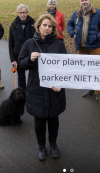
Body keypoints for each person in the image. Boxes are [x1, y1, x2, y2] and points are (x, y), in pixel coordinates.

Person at [17, 14, 67, 161]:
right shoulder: (29, 43)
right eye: (44, 25)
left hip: (54, 89)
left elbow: (66, 67)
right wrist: (30, 59)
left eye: (50, 26)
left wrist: (60, 84)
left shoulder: (59, 44)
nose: (47, 28)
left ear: (53, 29)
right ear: (38, 26)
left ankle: (53, 145)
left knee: (53, 119)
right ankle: (41, 146)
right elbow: (20, 64)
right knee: (39, 120)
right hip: (36, 88)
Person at [67, 0, 100, 104]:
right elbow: (69, 24)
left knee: (96, 70)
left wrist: (97, 37)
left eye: (86, 0)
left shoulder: (98, 13)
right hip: (81, 47)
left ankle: (98, 92)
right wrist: (73, 34)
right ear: (80, 2)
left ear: (89, 0)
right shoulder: (76, 13)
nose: (84, 2)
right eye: (82, 0)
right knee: (86, 70)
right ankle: (91, 88)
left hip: (94, 47)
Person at [9, 4, 36, 89]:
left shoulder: (33, 24)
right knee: (21, 77)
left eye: (24, 12)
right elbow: (10, 43)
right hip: (18, 55)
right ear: (17, 13)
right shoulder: (13, 26)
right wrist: (13, 59)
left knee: (33, 76)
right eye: (20, 12)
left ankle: (32, 92)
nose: (22, 15)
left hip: (31, 54)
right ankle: (22, 94)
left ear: (27, 12)